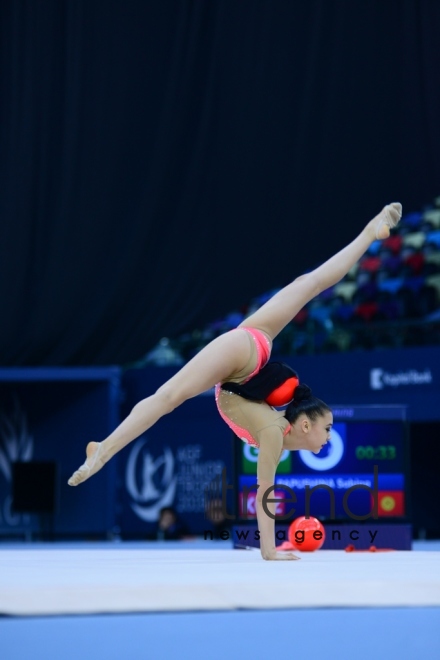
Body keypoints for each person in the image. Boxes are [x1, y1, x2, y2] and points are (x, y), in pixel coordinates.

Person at [68, 203, 402, 560]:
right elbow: (265, 491)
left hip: (251, 349)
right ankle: (102, 450)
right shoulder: (274, 432)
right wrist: (270, 551)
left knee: (309, 283)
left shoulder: (278, 430)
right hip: (242, 355)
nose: (330, 437)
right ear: (304, 423)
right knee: (167, 397)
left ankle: (371, 231)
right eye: (329, 428)